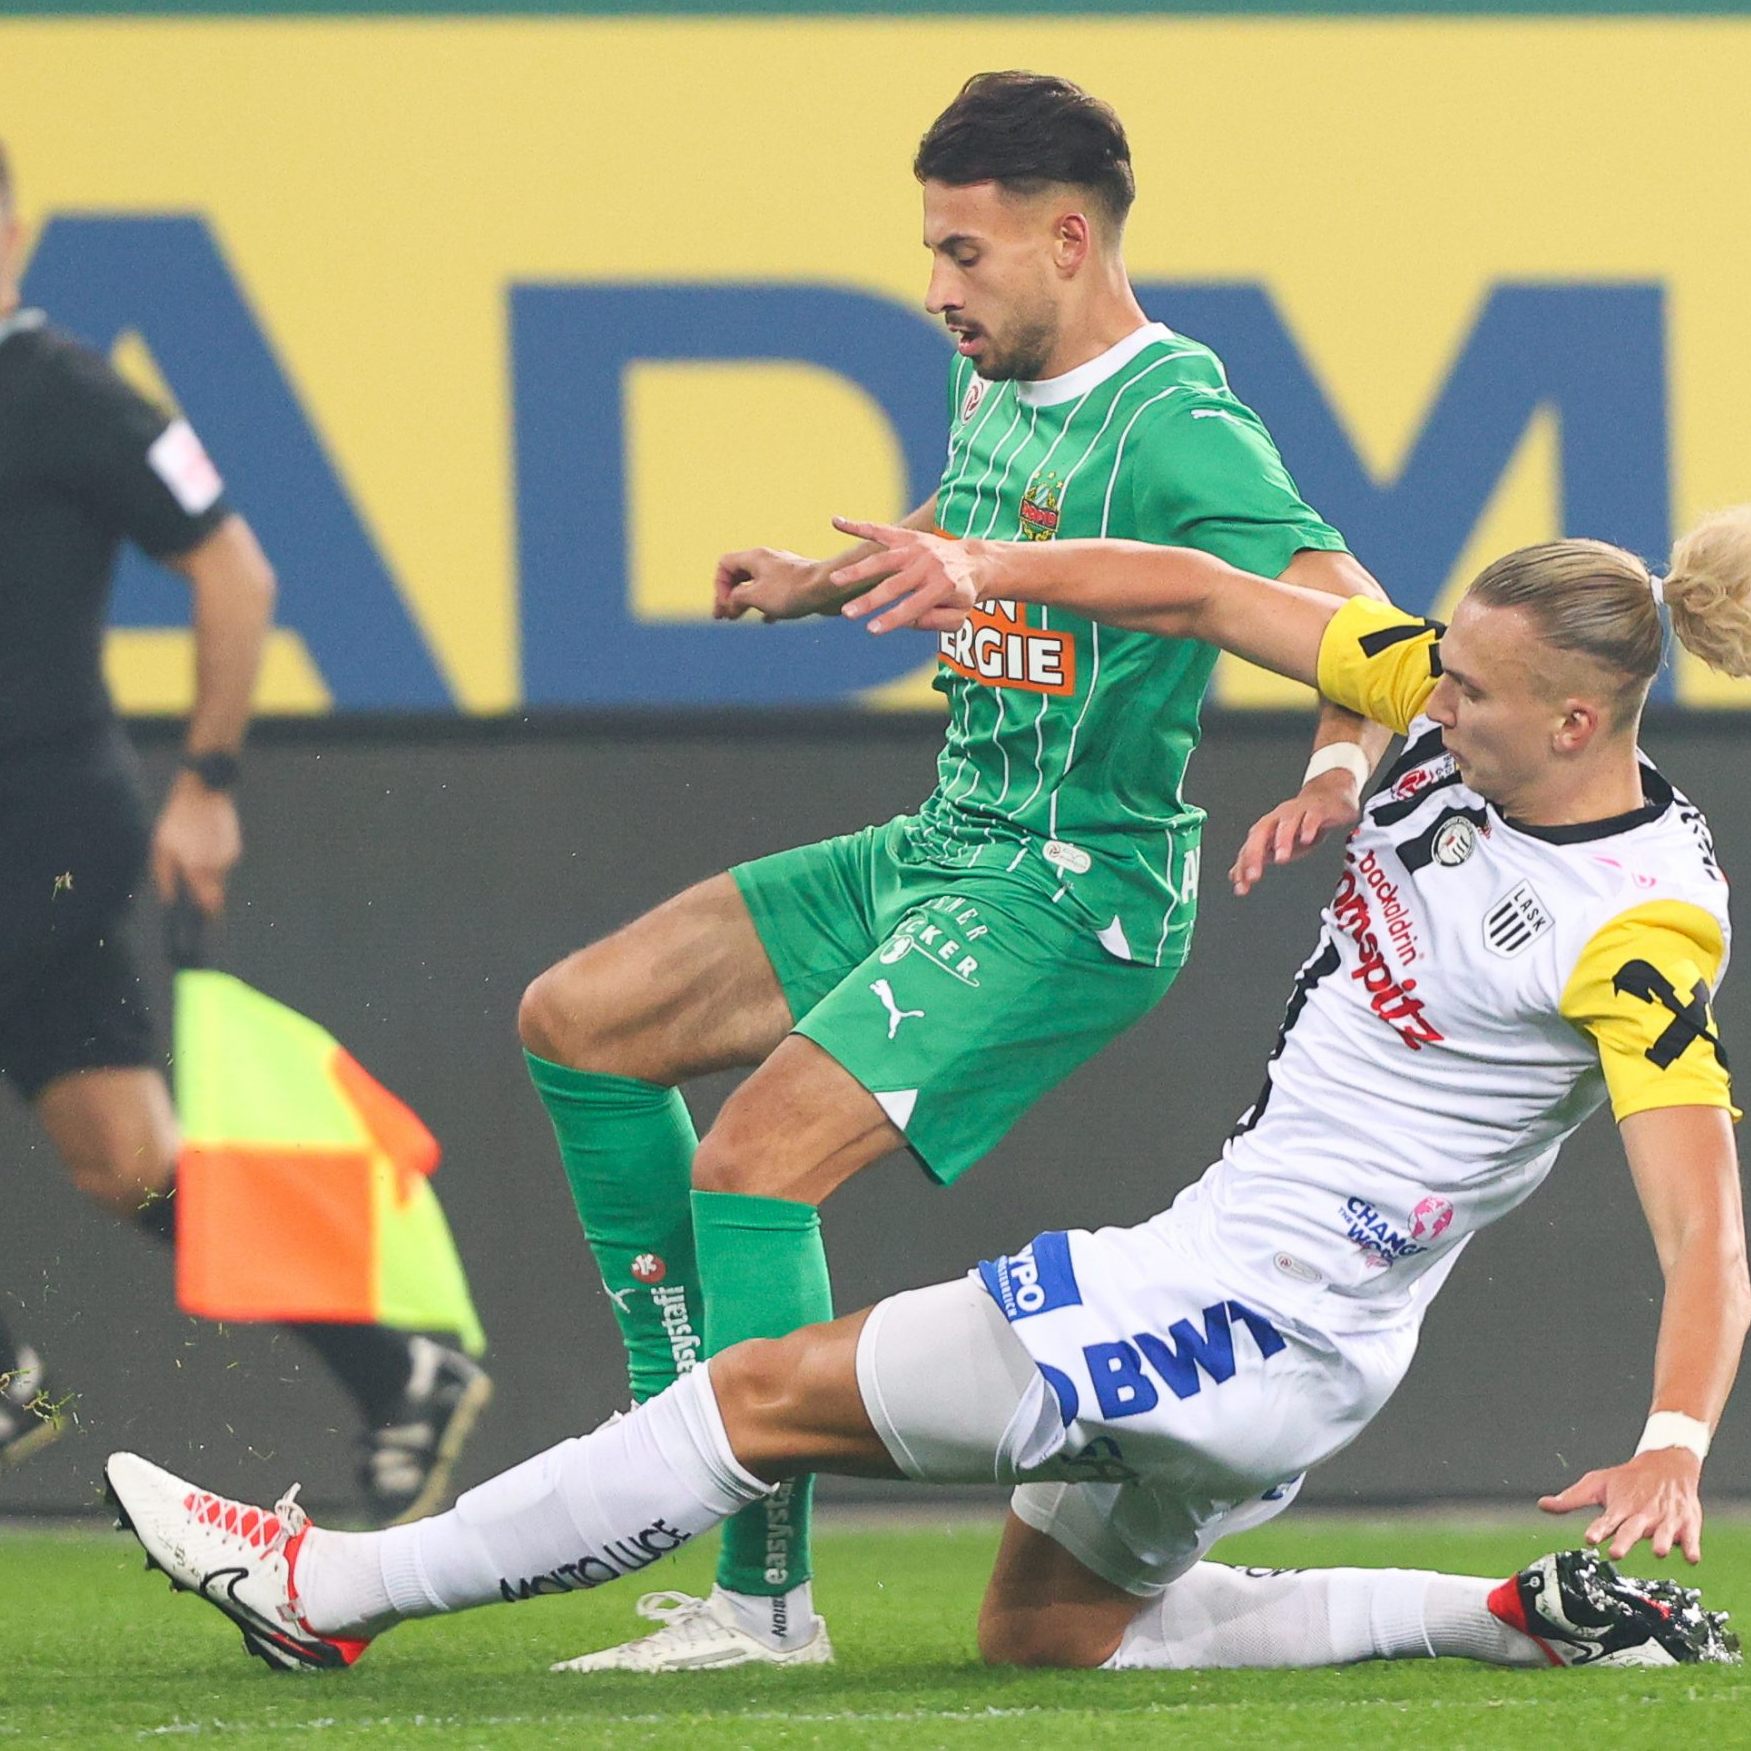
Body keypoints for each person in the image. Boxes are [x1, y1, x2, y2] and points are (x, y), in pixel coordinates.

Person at [106, 509, 1749, 1676]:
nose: (1418, 699)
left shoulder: (1639, 923)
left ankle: (330, 1585)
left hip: (1246, 1310)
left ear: (1577, 719)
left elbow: (1705, 1231)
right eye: (1432, 668)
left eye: (1457, 689)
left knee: (755, 1396)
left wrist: (1673, 1442)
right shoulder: (1488, 721)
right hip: (1298, 1340)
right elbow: (1191, 590)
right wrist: (977, 570)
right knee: (1044, 1637)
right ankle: (1505, 1617)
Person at [515, 69, 1388, 1670]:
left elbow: (1366, 621)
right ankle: (678, 1451)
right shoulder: (1001, 373)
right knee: (582, 1018)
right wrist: (818, 579)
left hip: (1071, 891)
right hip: (945, 845)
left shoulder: (1181, 424)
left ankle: (757, 1598)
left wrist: (1336, 763)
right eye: (928, 251)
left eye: (963, 256)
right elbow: (975, 518)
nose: (936, 291)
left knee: (752, 1166)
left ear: (1068, 240)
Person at [0, 140, 487, 1525]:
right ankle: (396, 1368)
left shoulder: (71, 398)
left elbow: (235, 569)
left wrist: (207, 779)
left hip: (38, 816)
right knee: (126, 1158)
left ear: (14, 234)